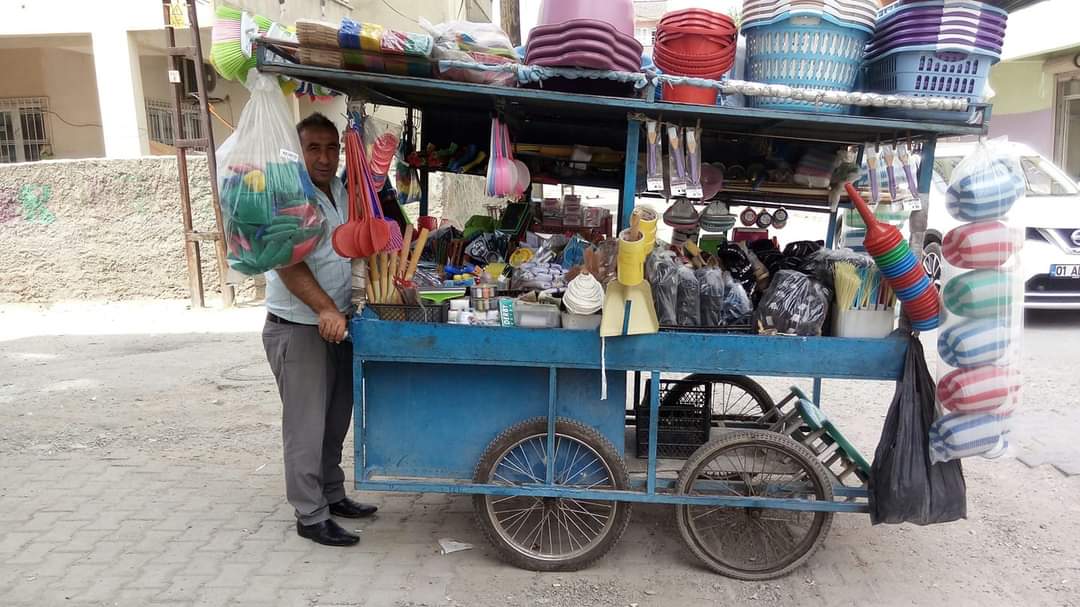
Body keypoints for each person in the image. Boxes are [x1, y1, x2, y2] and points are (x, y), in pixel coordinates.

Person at [262, 112, 377, 547]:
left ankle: (332, 493)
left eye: (332, 148)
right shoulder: (290, 196)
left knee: (334, 421)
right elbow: (287, 262)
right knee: (305, 428)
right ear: (299, 151)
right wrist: (327, 309)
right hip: (300, 326)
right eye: (314, 148)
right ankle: (310, 515)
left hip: (340, 322)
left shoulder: (345, 192)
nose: (325, 157)